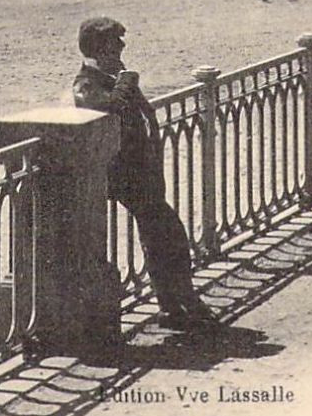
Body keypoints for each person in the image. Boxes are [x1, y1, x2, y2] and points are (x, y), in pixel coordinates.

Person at [72, 18, 219, 330]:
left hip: (142, 171)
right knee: (168, 233)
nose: (123, 47)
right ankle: (181, 302)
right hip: (124, 176)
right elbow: (106, 105)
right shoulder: (88, 82)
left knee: (162, 235)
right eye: (116, 42)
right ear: (100, 48)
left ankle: (175, 304)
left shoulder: (112, 76)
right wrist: (127, 81)